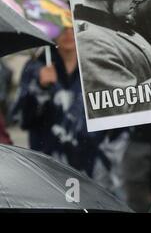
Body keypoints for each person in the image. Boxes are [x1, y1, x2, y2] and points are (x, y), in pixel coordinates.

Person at [10, 27, 104, 178]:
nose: (68, 33)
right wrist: (40, 88)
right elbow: (22, 119)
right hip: (46, 164)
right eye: (62, 28)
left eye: (72, 27)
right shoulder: (35, 67)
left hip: (89, 164)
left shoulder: (97, 66)